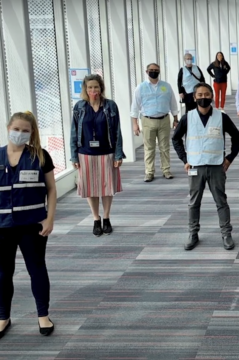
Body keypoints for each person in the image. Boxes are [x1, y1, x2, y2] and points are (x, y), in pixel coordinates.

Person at [0, 111, 57, 338]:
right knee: (3, 273)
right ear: (8, 128)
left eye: (25, 130)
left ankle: (43, 315)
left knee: (37, 269)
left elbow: (52, 189)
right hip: (2, 226)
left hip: (32, 225)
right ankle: (3, 316)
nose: (20, 134)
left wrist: (50, 217)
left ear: (32, 133)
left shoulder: (40, 156)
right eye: (17, 129)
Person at [172, 83, 239, 251]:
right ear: (194, 97)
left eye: (206, 94)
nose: (203, 98)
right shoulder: (187, 117)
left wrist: (229, 159)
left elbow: (237, 137)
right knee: (194, 202)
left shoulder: (221, 116)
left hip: (217, 165)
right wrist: (184, 159)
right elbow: (176, 139)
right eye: (200, 95)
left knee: (221, 201)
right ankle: (193, 234)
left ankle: (226, 234)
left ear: (212, 96)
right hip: (195, 166)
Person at [70, 74, 124, 237]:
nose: (93, 90)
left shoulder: (110, 106)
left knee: (107, 187)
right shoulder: (79, 107)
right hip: (85, 153)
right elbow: (73, 132)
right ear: (85, 89)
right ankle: (96, 218)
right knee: (91, 188)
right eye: (90, 87)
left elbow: (117, 131)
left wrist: (118, 154)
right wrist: (73, 156)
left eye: (96, 87)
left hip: (107, 152)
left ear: (101, 88)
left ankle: (106, 217)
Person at [131, 63, 180, 182]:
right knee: (149, 148)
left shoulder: (166, 86)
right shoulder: (140, 88)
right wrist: (135, 124)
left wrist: (175, 119)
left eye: (156, 70)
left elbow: (173, 103)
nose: (154, 72)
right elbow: (135, 107)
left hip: (164, 120)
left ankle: (166, 170)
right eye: (151, 70)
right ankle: (149, 172)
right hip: (148, 120)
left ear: (159, 71)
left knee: (165, 147)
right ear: (147, 72)